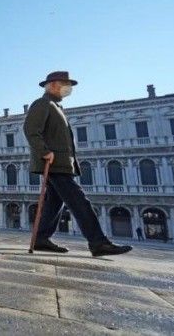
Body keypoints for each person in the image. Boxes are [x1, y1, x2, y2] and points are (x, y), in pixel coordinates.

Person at [24, 71, 132, 257]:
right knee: (79, 201)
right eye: (65, 84)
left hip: (61, 163)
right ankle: (98, 242)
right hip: (54, 163)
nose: (69, 88)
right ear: (53, 85)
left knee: (55, 202)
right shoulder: (43, 104)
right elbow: (31, 130)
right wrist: (45, 151)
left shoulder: (55, 106)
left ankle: (41, 238)